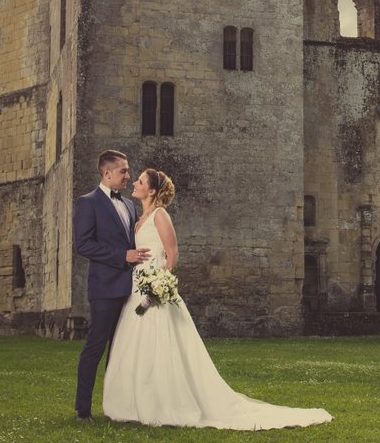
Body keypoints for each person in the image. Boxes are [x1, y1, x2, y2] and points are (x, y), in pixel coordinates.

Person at [102, 168, 333, 429]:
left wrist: (159, 286)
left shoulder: (160, 216)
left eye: (140, 181)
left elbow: (172, 255)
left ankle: (165, 402)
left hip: (155, 289)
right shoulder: (138, 220)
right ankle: (131, 402)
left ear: (152, 191)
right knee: (134, 344)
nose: (135, 183)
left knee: (161, 344)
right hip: (137, 286)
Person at [72, 150, 150, 421]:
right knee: (96, 346)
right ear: (107, 173)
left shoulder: (129, 205)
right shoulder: (87, 203)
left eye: (128, 172)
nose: (128, 176)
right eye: (123, 171)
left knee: (121, 349)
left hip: (130, 289)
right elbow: (82, 244)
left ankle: (116, 407)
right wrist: (121, 256)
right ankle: (83, 410)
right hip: (104, 289)